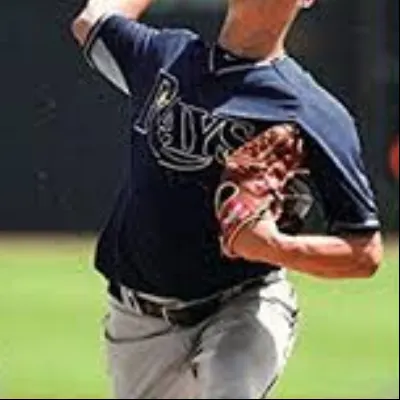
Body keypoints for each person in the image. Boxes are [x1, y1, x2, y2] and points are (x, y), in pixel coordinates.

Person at [70, 0, 383, 398]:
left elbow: (364, 252)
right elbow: (91, 20)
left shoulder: (312, 112)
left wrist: (277, 247)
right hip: (139, 323)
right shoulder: (165, 56)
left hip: (244, 306)